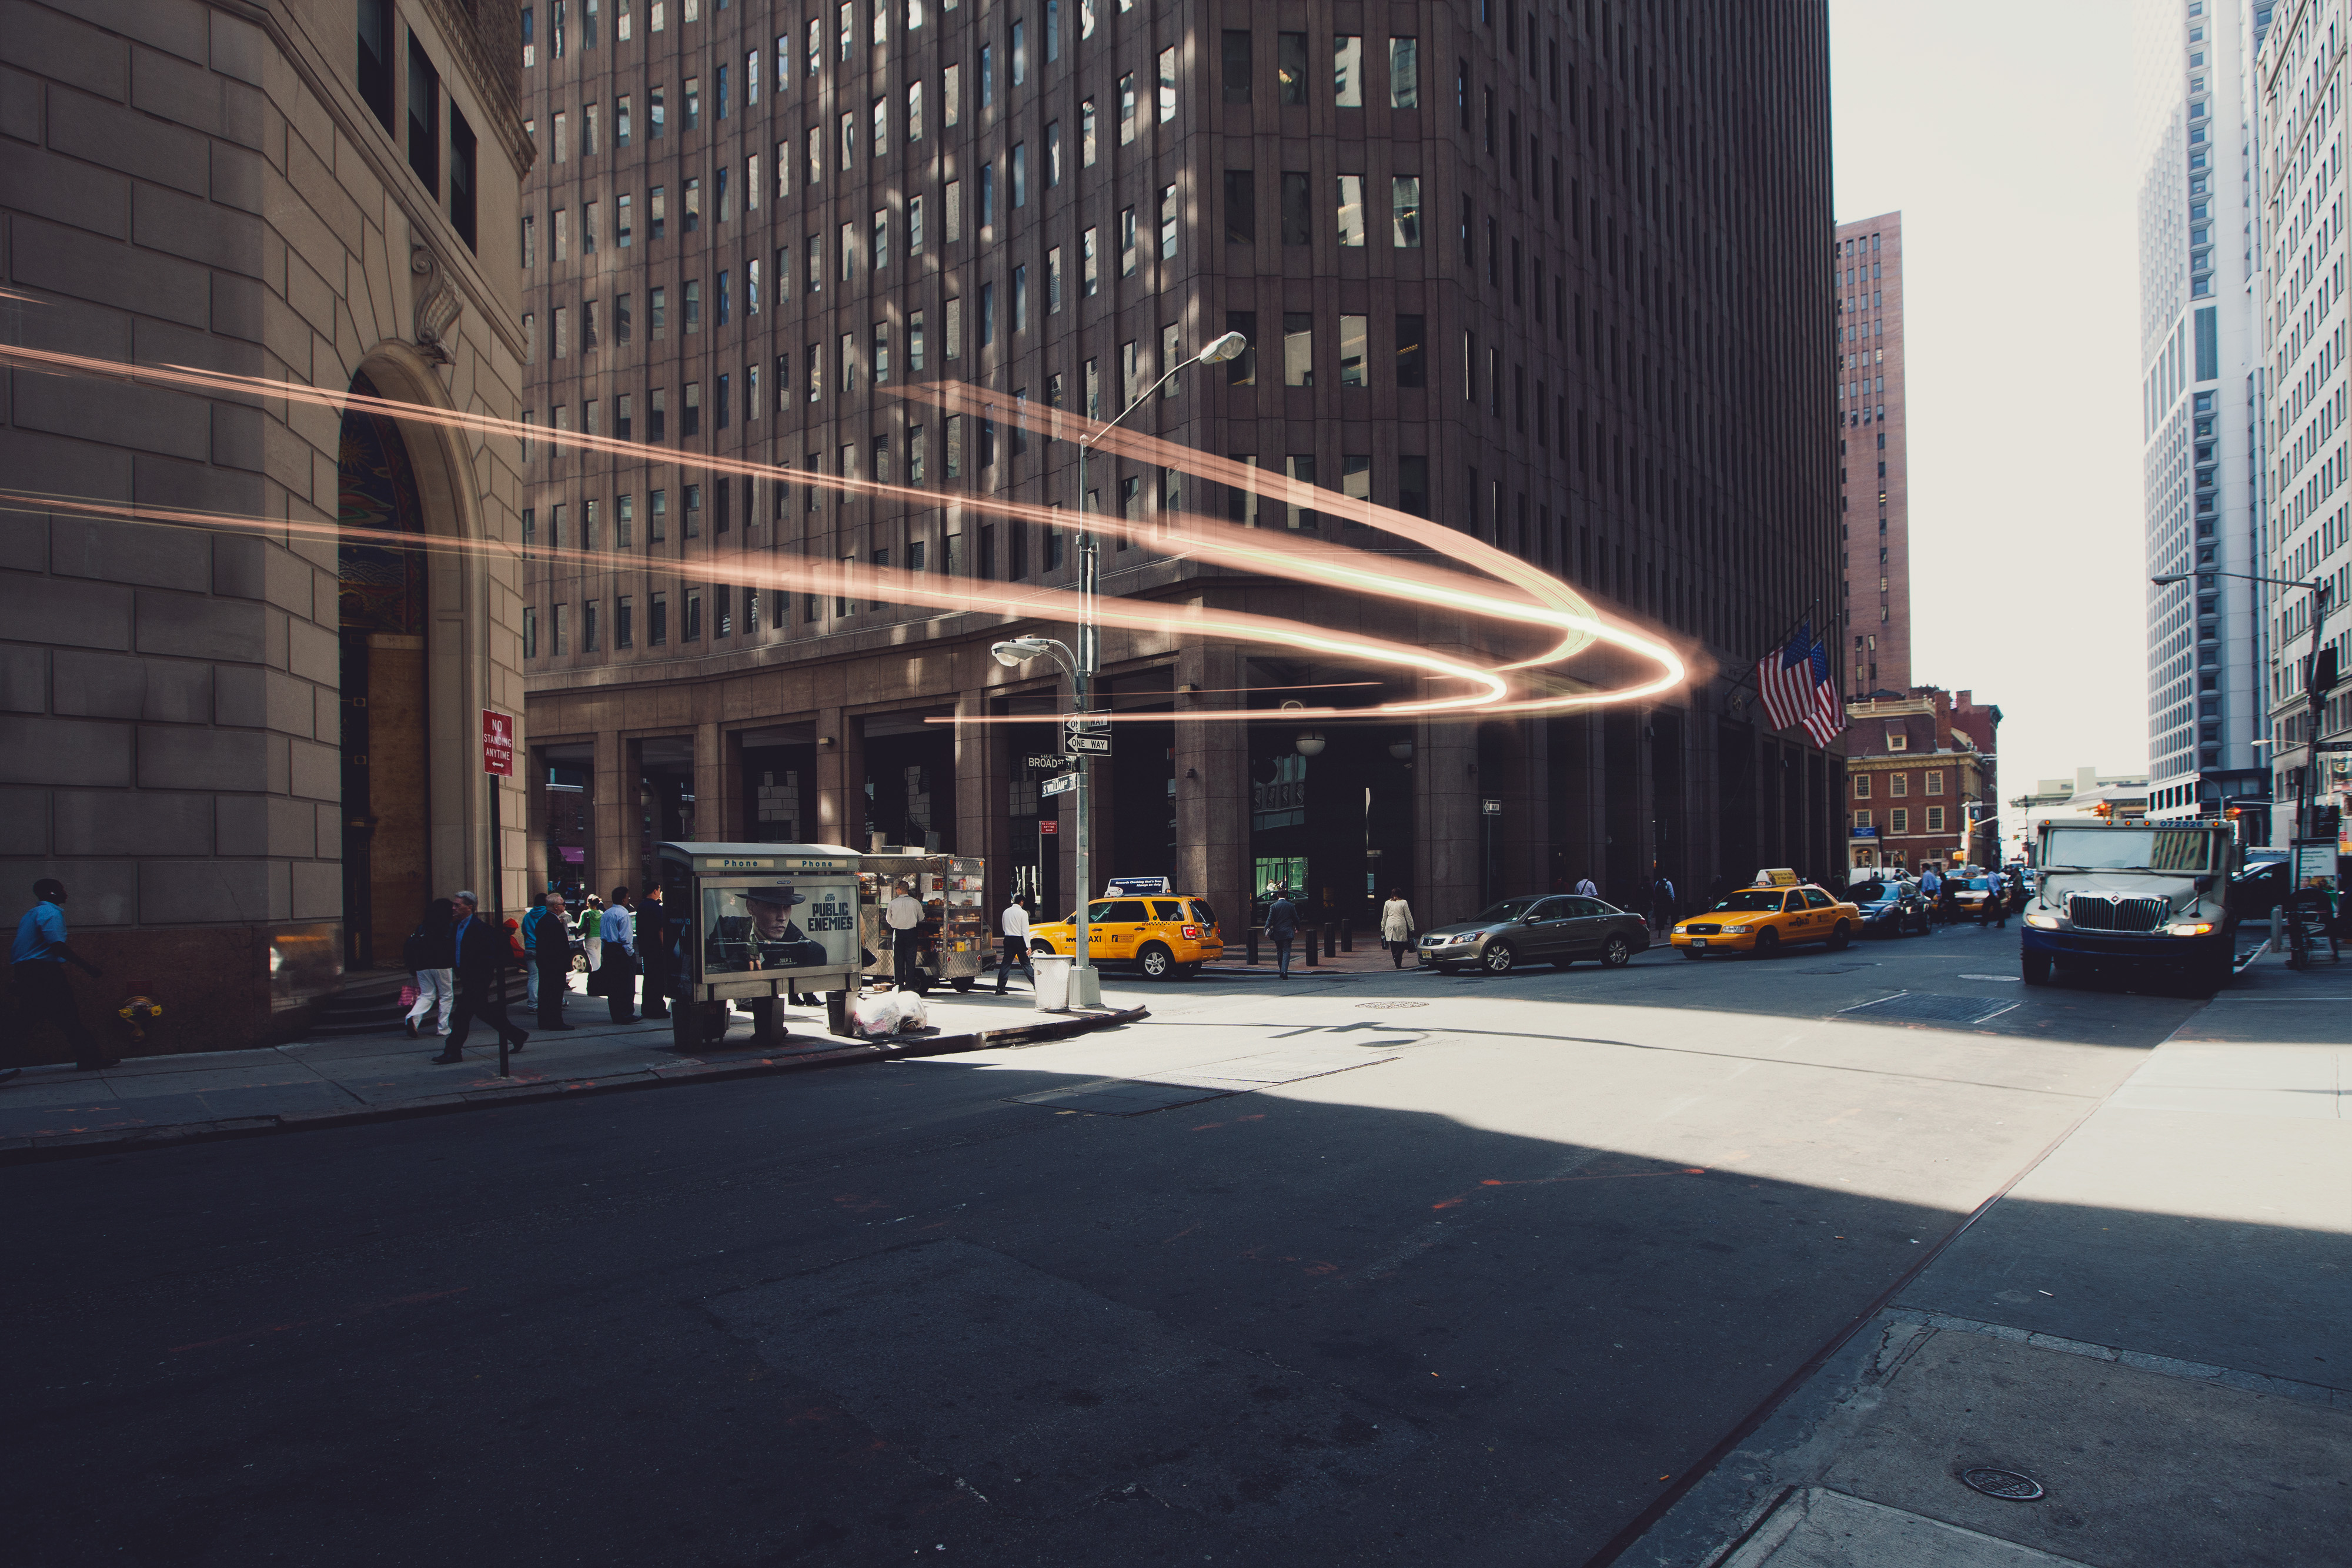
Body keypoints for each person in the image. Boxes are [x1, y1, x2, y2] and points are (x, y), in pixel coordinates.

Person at [10, 877, 109, 1075]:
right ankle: (89, 1059)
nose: (66, 893)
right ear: (51, 893)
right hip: (44, 974)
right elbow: (57, 945)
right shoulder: (50, 913)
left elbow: (21, 949)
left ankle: (89, 1058)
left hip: (31, 973)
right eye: (61, 889)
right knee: (63, 1017)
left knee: (34, 1019)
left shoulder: (32, 914)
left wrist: (19, 977)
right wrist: (87, 967)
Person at [436, 890, 527, 1062]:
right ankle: (517, 1035)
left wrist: (478, 970)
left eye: (458, 905)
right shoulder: (455, 926)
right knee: (484, 1012)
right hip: (465, 977)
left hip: (478, 979)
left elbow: (490, 955)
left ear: (470, 907)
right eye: (453, 905)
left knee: (462, 1015)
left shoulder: (481, 929)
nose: (454, 908)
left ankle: (453, 1051)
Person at [402, 897, 457, 1039]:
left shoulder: (423, 927)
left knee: (427, 994)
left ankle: (413, 1018)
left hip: (422, 964)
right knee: (446, 996)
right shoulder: (449, 927)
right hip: (442, 965)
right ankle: (443, 1027)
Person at [534, 889, 577, 1031]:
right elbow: (557, 947)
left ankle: (546, 1021)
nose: (565, 906)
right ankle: (554, 1021)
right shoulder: (551, 922)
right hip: (554, 966)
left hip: (548, 965)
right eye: (563, 904)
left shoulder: (545, 921)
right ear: (556, 907)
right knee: (554, 994)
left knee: (547, 993)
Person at [595, 887, 639, 1024]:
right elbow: (626, 938)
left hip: (609, 949)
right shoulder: (623, 914)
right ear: (624, 899)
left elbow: (602, 935)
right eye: (628, 897)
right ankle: (626, 1014)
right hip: (621, 951)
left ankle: (616, 1014)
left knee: (613, 985)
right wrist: (630, 954)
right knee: (626, 984)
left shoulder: (606, 914)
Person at [886, 880, 926, 989]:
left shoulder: (893, 903)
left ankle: (899, 987)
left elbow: (888, 919)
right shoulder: (915, 903)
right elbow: (921, 917)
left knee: (898, 960)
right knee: (910, 960)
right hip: (911, 933)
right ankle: (910, 987)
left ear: (899, 890)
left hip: (898, 933)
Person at [639, 886, 671, 1020]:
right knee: (658, 981)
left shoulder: (641, 907)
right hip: (657, 949)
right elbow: (661, 930)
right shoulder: (657, 908)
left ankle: (647, 1008)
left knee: (648, 980)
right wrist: (665, 948)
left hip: (646, 949)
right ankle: (657, 1009)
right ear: (655, 891)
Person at [995, 893, 1035, 994]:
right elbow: (1025, 931)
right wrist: (1028, 946)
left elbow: (1004, 927)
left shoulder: (1006, 912)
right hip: (1019, 940)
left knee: (1006, 964)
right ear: (1021, 902)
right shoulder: (1023, 913)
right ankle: (1038, 985)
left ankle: (1000, 988)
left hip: (1008, 939)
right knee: (1026, 964)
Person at [1264, 887, 1300, 979]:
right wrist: (1298, 927)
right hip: (1288, 933)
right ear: (1286, 895)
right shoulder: (1291, 906)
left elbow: (1269, 920)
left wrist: (1266, 930)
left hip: (1278, 933)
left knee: (1279, 951)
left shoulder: (1273, 906)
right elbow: (1296, 918)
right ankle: (1285, 972)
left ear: (1277, 896)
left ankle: (1281, 970)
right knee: (1286, 952)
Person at [1380, 888, 1415, 968]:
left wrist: (1383, 929)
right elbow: (1408, 916)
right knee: (1402, 944)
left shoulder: (1387, 903)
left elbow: (1384, 917)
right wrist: (1412, 928)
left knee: (1393, 945)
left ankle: (1397, 963)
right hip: (1400, 925)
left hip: (1389, 925)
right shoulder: (1404, 903)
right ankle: (1398, 956)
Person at [581, 894, 604, 976]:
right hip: (599, 938)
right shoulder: (601, 913)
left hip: (589, 937)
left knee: (593, 960)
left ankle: (597, 976)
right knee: (597, 959)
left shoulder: (586, 913)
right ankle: (599, 976)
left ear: (588, 903)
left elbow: (580, 926)